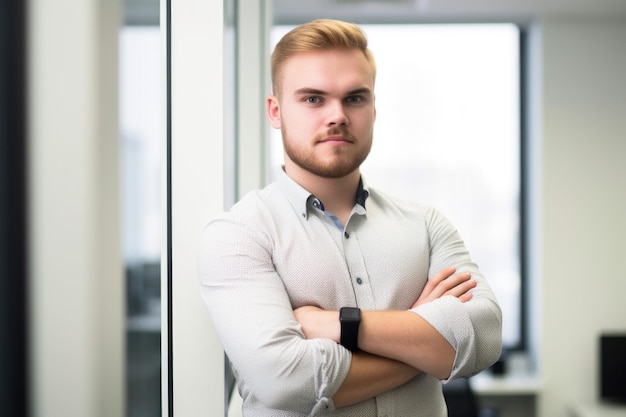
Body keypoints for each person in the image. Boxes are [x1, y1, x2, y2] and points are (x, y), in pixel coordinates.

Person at [198, 18, 502, 416]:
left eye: (354, 98)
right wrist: (422, 337)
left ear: (373, 108)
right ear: (275, 111)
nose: (337, 115)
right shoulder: (239, 234)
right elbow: (285, 381)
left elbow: (483, 337)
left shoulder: (426, 225)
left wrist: (338, 325)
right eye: (313, 99)